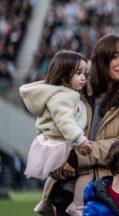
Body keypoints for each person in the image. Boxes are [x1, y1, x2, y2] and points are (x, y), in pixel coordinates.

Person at [42, 34, 119, 216]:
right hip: (64, 190)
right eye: (115, 56)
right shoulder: (76, 90)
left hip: (105, 197)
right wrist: (60, 160)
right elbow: (53, 131)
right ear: (100, 60)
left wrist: (77, 157)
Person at [20, 51, 94, 213]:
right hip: (61, 143)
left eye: (85, 74)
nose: (83, 78)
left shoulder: (67, 94)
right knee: (86, 171)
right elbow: (65, 121)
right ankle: (77, 206)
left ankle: (45, 202)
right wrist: (79, 139)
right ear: (62, 76)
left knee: (54, 177)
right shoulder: (63, 96)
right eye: (78, 73)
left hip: (55, 142)